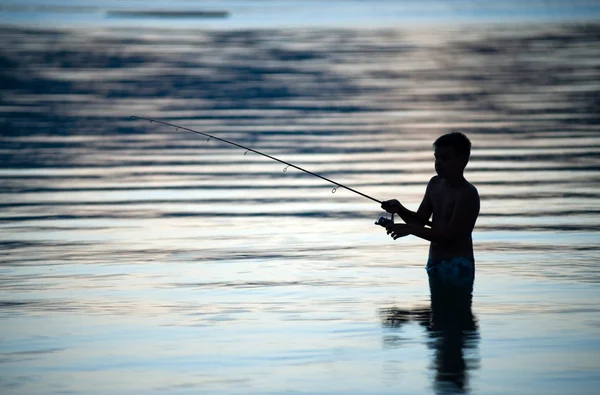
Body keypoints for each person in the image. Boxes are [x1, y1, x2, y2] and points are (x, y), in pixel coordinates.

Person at [382, 132, 480, 288]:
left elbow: (450, 237)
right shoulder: (434, 184)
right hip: (434, 262)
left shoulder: (467, 194)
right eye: (436, 157)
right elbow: (419, 222)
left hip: (458, 266)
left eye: (445, 158)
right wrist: (400, 209)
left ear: (463, 161)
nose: (438, 163)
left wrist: (409, 229)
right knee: (436, 312)